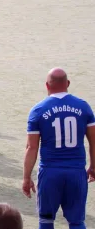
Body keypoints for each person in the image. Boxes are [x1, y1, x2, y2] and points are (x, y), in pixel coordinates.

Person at [23, 68, 95, 229]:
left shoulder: (38, 110)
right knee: (77, 222)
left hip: (50, 173)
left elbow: (31, 147)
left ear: (47, 86)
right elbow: (93, 141)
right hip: (76, 172)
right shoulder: (84, 107)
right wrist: (93, 166)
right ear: (68, 83)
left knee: (46, 220)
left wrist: (26, 177)